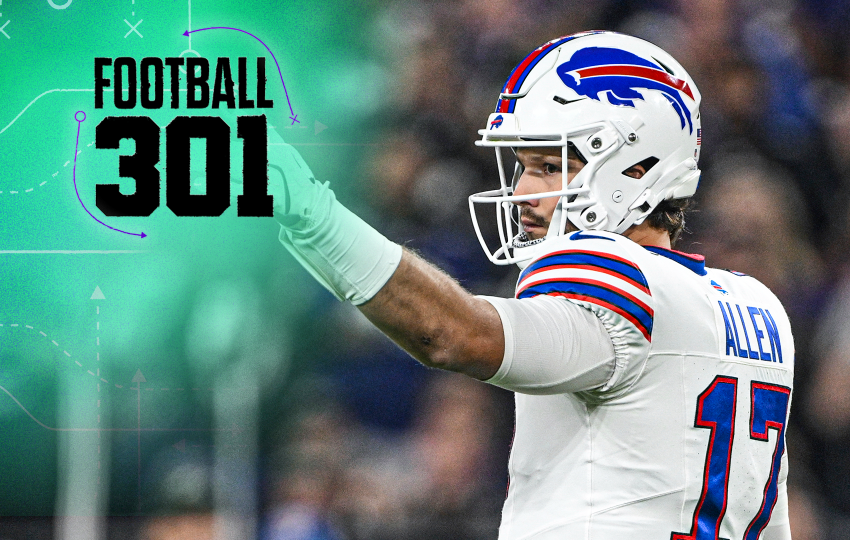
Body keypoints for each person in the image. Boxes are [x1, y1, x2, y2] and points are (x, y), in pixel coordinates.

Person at [268, 31, 795, 539]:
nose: (522, 191)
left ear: (637, 168)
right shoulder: (757, 307)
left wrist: (311, 214)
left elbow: (454, 334)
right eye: (523, 166)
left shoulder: (618, 278)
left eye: (549, 166)